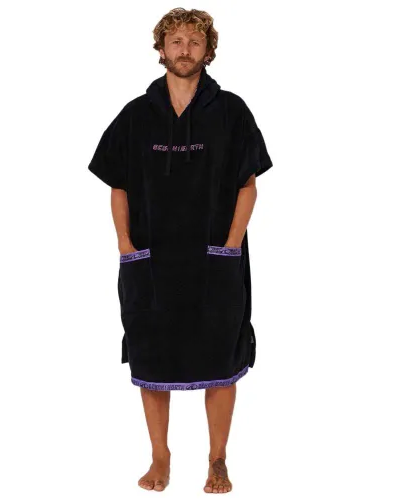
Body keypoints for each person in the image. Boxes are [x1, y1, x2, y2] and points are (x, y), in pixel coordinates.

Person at [88, 8, 273, 494]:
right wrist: (125, 245)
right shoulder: (136, 115)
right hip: (151, 261)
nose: (184, 49)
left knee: (222, 354)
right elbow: (119, 185)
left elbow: (248, 184)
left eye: (194, 40)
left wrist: (231, 244)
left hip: (216, 259)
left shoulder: (231, 111)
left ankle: (217, 459)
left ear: (208, 50)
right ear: (161, 49)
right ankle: (160, 456)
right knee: (151, 355)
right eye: (175, 41)